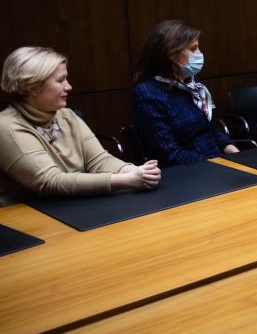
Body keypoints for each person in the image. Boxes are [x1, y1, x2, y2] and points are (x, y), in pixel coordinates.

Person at [0, 47, 160, 206]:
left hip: (74, 206)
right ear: (33, 88)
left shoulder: (67, 115)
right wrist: (125, 180)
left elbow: (99, 161)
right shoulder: (6, 126)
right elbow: (51, 181)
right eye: (60, 80)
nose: (69, 86)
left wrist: (133, 171)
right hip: (28, 214)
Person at [132, 20, 239, 167]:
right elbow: (168, 154)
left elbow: (210, 127)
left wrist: (231, 149)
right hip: (190, 171)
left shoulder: (191, 84)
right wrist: (218, 163)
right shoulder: (148, 93)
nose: (200, 54)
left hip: (217, 163)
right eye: (193, 48)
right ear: (171, 53)